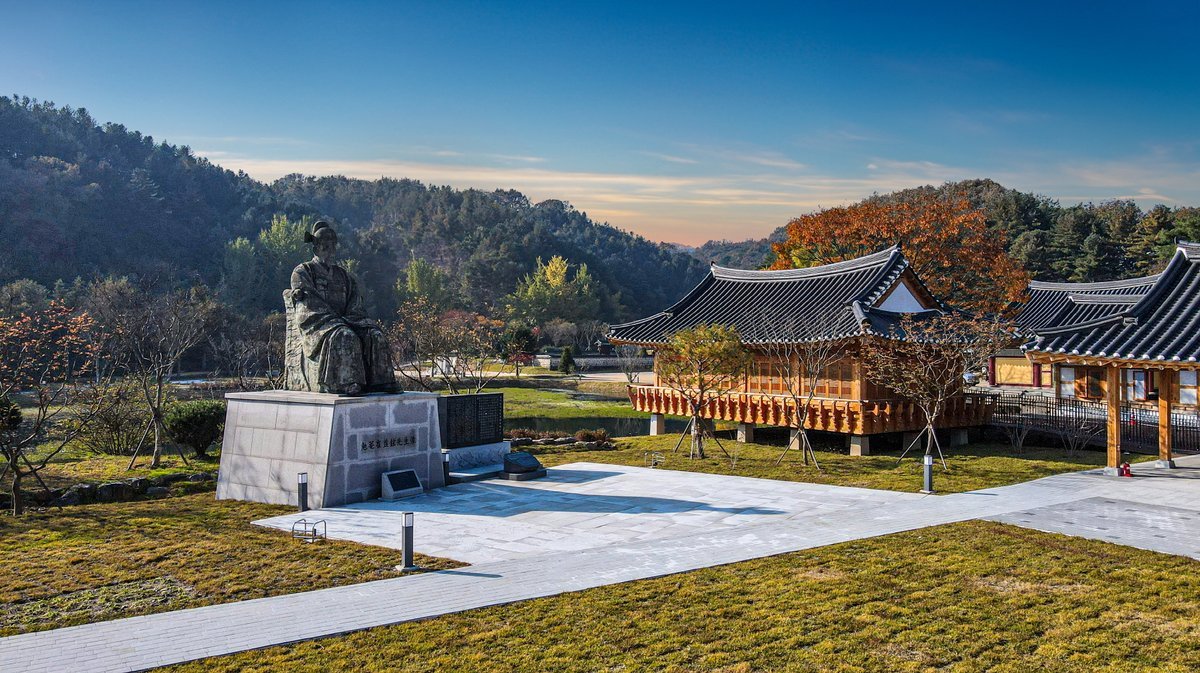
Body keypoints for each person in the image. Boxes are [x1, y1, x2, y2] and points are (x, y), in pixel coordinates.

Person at [287, 220, 396, 395]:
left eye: (333, 247)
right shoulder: (303, 271)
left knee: (375, 335)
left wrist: (351, 317)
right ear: (316, 248)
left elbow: (354, 301)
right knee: (345, 336)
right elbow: (308, 304)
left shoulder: (343, 275)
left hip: (346, 320)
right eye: (325, 247)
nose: (330, 251)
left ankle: (382, 381)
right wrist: (333, 320)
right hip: (320, 323)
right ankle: (348, 382)